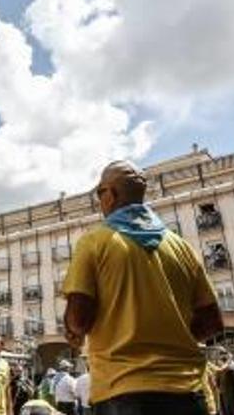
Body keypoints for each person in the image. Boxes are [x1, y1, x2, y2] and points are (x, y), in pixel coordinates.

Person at [63, 160, 224, 415]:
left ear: (111, 194)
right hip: (188, 390)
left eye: (99, 193)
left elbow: (79, 318)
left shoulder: (94, 242)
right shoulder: (182, 247)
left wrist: (72, 329)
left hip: (123, 391)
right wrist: (171, 336)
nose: (99, 199)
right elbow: (213, 322)